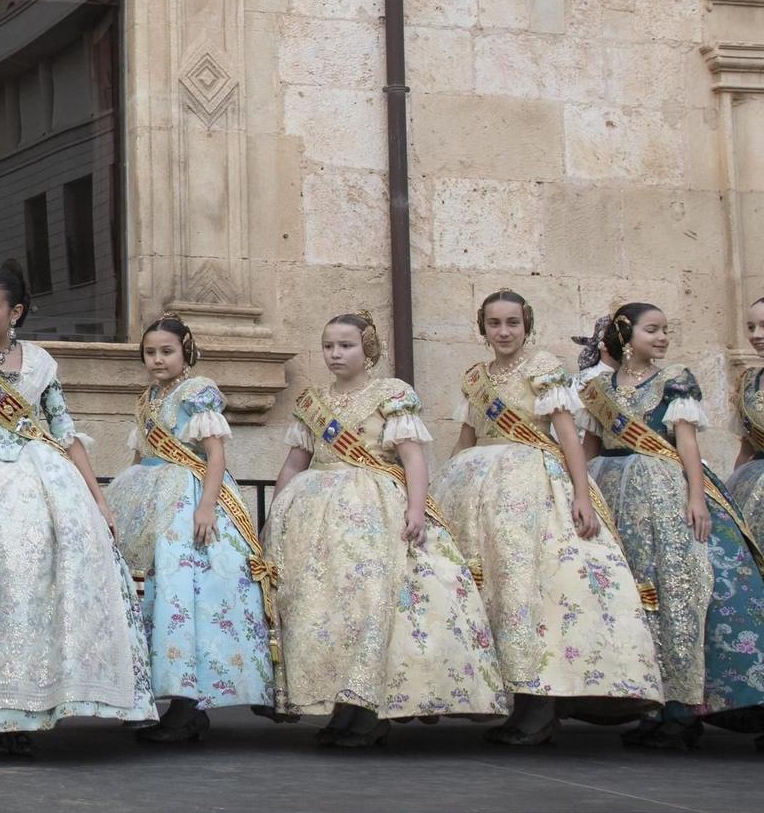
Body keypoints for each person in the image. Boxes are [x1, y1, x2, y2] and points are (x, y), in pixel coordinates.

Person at [0, 264, 154, 754]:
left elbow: (64, 432)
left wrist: (98, 499)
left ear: (16, 312)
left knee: (31, 598)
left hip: (38, 486)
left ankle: (26, 712)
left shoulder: (42, 364)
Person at [431, 291, 662, 745]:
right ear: (482, 328)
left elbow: (568, 436)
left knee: (530, 589)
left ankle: (540, 706)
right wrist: (441, 492)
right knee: (487, 590)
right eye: (494, 323)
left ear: (527, 325)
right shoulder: (475, 378)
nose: (504, 331)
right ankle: (510, 697)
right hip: (475, 486)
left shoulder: (544, 369)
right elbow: (466, 437)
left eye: (512, 323)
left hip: (532, 486)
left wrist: (582, 494)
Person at [266, 311, 504, 746]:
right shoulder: (312, 401)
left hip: (374, 510)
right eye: (328, 346)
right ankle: (341, 705)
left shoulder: (391, 395)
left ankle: (371, 710)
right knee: (322, 609)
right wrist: (276, 514)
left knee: (370, 605)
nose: (335, 354)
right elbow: (294, 463)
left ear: (368, 349)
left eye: (346, 345)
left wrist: (417, 509)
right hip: (314, 518)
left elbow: (413, 458)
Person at [580, 302, 764, 749]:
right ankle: (650, 705)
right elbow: (588, 446)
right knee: (632, 597)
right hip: (613, 494)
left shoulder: (675, 380)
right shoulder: (599, 389)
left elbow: (687, 444)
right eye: (652, 330)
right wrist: (578, 493)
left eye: (665, 330)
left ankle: (682, 710)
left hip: (663, 494)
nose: (662, 338)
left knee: (675, 592)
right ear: (626, 335)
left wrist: (697, 497)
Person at [108, 315, 271, 742]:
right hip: (147, 495)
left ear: (186, 352)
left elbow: (215, 455)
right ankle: (155, 697)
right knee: (150, 591)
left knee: (186, 593)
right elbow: (140, 455)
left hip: (188, 497)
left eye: (167, 351)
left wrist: (206, 507)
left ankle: (189, 706)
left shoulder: (198, 392)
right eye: (150, 352)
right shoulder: (146, 398)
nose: (157, 359)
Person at [724, 297, 764, 538]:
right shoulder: (748, 382)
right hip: (753, 487)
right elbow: (746, 448)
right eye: (751, 327)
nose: (756, 335)